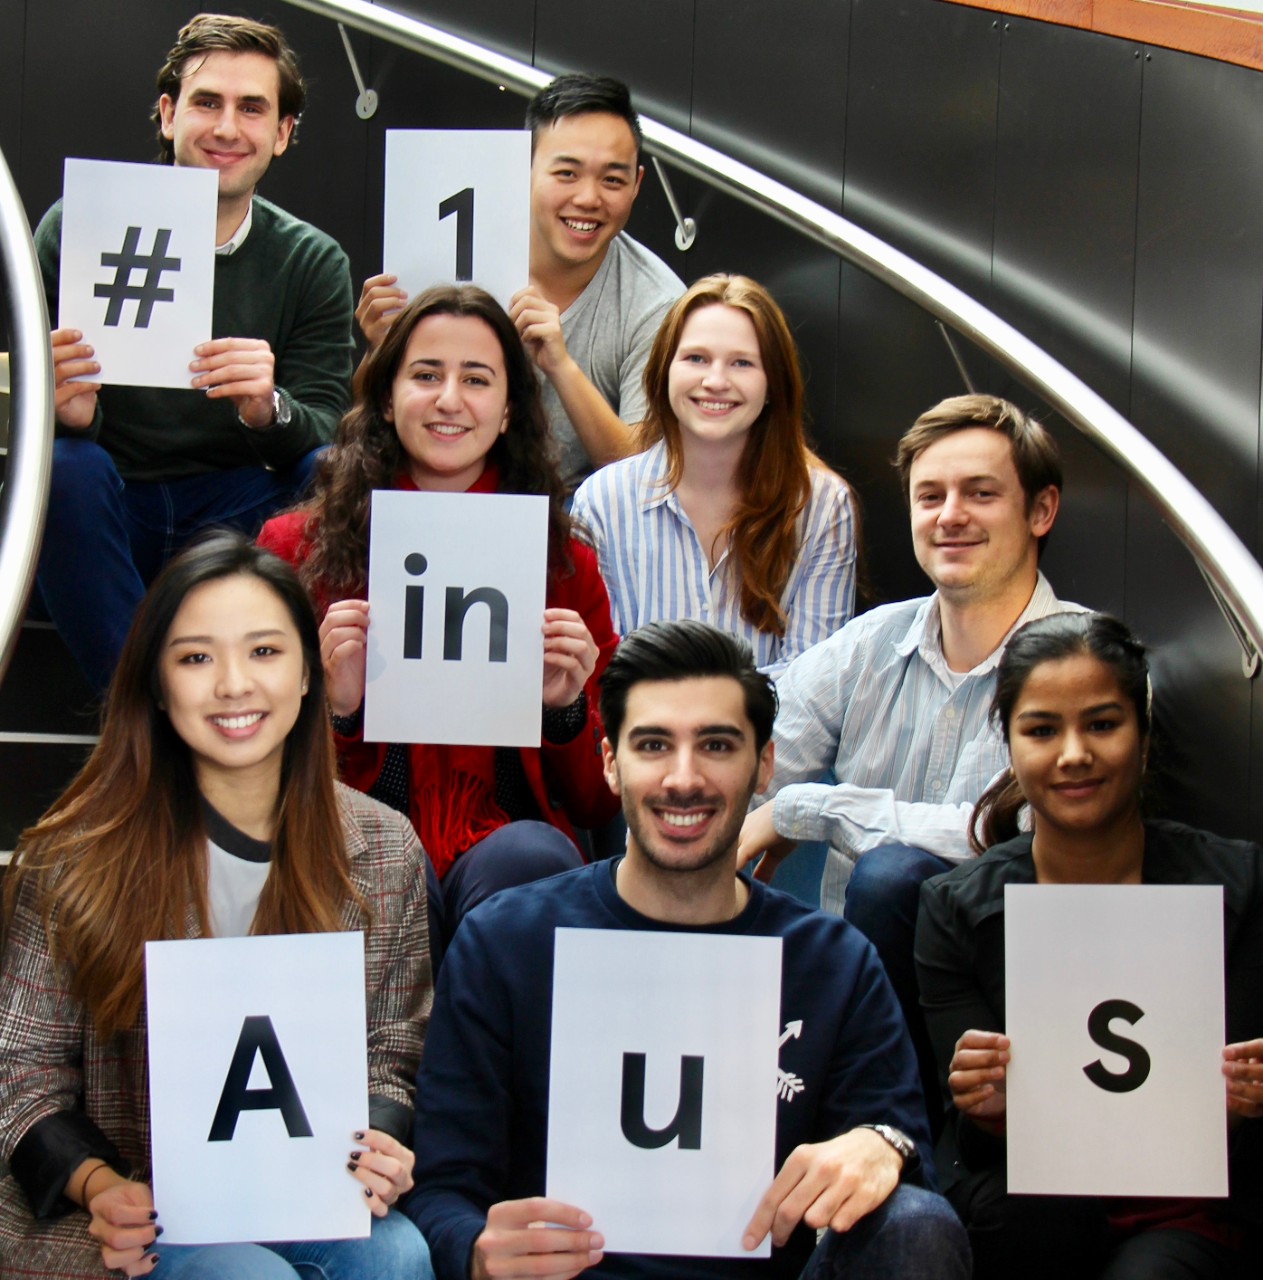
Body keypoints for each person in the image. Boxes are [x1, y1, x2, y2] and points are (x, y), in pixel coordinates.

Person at [404, 619, 970, 1280]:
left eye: (716, 745)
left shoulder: (831, 961)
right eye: (652, 745)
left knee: (916, 1223)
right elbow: (441, 1190)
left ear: (763, 764)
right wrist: (474, 1249)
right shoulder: (505, 943)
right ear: (611, 762)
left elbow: (903, 1159)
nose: (683, 778)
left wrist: (883, 1145)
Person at [0, 532, 432, 1279]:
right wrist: (99, 1186)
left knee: (397, 1255)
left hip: (303, 1187)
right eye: (196, 658)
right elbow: (22, 1071)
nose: (234, 684)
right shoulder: (74, 853)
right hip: (131, 1206)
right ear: (158, 686)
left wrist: (383, 1140)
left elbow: (394, 1052)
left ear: (308, 675)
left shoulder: (385, 845)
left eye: (264, 652)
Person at [737, 393, 1078, 1118]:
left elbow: (1006, 833)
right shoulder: (870, 643)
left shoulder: (1086, 661)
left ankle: (886, 1123)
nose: (949, 514)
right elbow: (757, 752)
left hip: (1016, 1006)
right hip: (852, 982)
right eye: (930, 496)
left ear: (1040, 511)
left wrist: (807, 809)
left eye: (979, 494)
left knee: (897, 875)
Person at [258, 285, 619, 958]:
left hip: (510, 844)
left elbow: (598, 806)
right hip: (352, 833)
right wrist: (334, 710)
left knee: (529, 860)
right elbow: (253, 772)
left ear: (509, 410)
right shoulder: (292, 552)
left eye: (476, 379)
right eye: (426, 375)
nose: (449, 400)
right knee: (383, 856)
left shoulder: (565, 566)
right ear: (387, 398)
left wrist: (567, 711)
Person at [915, 611, 1263, 1278]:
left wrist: (1244, 1103)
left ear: (1142, 730)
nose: (1073, 754)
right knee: (1033, 1223)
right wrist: (985, 1111)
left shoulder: (1236, 883)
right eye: (1041, 730)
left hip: (1184, 1206)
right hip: (1030, 1200)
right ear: (1009, 743)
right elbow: (972, 1134)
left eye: (1101, 724)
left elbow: (1234, 1114)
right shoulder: (956, 908)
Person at [37, 13, 354, 694]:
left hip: (236, 501)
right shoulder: (75, 227)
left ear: (283, 133)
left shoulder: (311, 259)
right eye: (206, 102)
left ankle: (294, 701)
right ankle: (145, 711)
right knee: (63, 467)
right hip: (113, 496)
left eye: (252, 108)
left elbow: (327, 421)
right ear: (167, 114)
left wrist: (268, 410)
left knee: (329, 470)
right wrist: (66, 413)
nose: (226, 128)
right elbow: (24, 425)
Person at [356, 73, 684, 485]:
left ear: (636, 185)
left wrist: (560, 366)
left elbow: (642, 472)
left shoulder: (657, 302)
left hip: (570, 507)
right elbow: (366, 417)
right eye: (566, 173)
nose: (587, 198)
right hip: (439, 485)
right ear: (523, 169)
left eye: (612, 179)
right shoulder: (452, 244)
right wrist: (378, 349)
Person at [571, 274, 856, 676]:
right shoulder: (600, 502)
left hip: (766, 740)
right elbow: (601, 673)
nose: (716, 382)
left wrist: (726, 738)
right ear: (663, 371)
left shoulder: (823, 506)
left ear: (773, 382)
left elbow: (812, 688)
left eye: (741, 363)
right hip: (635, 737)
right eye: (696, 359)